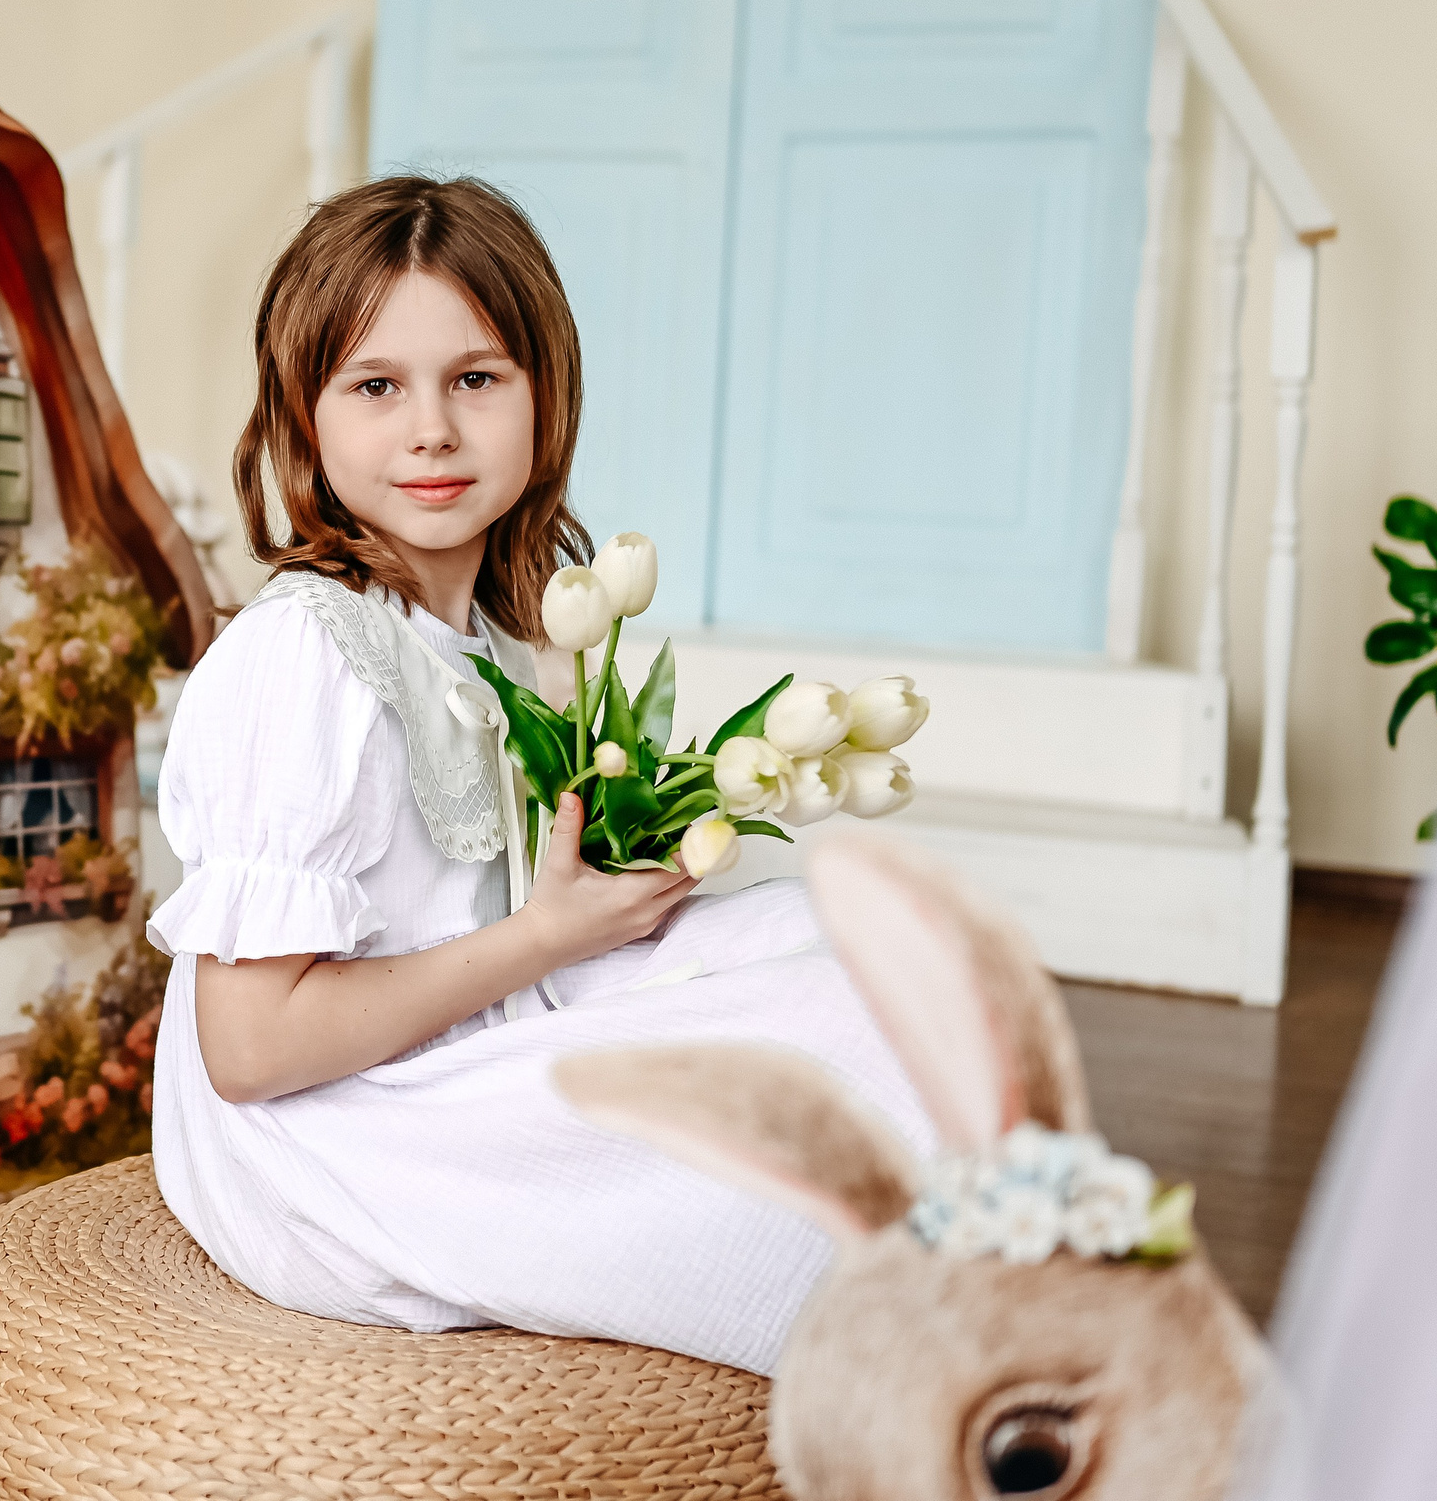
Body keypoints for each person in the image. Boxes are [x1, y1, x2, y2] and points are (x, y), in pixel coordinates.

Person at [145, 175, 935, 1375]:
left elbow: (487, 899)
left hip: (465, 1034)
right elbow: (251, 1052)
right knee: (828, 1038)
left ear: (542, 397)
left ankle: (968, 1291)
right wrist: (553, 939)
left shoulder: (495, 640)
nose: (431, 430)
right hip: (339, 1135)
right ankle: (959, 1356)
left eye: (475, 378)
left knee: (848, 936)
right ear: (305, 416)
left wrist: (620, 878)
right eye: (375, 386)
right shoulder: (305, 654)